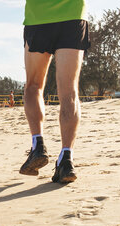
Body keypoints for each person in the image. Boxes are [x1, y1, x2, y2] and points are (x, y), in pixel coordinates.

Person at [19, 0, 90, 183]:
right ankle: (66, 159)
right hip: (73, 17)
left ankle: (38, 145)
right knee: (70, 92)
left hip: (38, 17)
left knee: (33, 86)